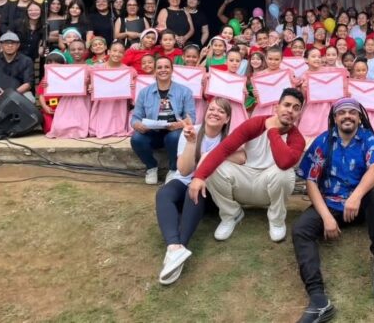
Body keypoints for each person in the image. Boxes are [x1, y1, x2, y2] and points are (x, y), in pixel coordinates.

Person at [292, 99, 374, 322]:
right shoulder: (323, 141)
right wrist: (326, 217)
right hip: (331, 203)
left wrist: (356, 196)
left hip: (360, 205)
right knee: (300, 230)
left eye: (352, 112)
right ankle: (318, 300)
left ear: (359, 117)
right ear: (335, 118)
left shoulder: (369, 139)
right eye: (342, 112)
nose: (347, 116)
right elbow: (311, 181)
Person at [187, 89, 306, 242]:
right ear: (277, 107)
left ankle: (276, 220)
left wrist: (272, 131)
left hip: (268, 186)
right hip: (244, 179)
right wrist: (199, 176)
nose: (290, 110)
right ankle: (231, 215)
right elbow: (223, 149)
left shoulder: (297, 139)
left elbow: (284, 162)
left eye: (296, 108)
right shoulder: (255, 123)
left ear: (299, 114)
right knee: (211, 163)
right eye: (287, 105)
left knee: (285, 173)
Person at [155, 98, 246, 285]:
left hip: (211, 189)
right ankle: (174, 248)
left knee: (193, 192)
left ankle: (181, 245)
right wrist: (191, 143)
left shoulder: (229, 138)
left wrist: (210, 156)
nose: (214, 113)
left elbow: (242, 158)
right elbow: (183, 171)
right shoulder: (192, 131)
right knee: (164, 193)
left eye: (221, 111)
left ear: (227, 118)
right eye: (211, 109)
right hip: (186, 180)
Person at [131, 56, 196, 185]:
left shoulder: (185, 91)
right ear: (155, 71)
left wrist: (179, 125)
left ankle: (173, 169)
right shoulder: (144, 92)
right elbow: (135, 117)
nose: (163, 70)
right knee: (136, 138)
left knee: (174, 137)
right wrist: (137, 125)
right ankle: (151, 167)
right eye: (159, 67)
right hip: (152, 132)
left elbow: (191, 118)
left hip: (174, 132)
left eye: (167, 67)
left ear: (172, 70)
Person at [46, 39, 91, 139]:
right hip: (67, 100)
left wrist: (89, 85)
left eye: (80, 49)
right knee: (59, 127)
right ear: (69, 51)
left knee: (80, 125)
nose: (76, 52)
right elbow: (57, 85)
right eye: (73, 49)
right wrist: (47, 84)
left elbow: (94, 88)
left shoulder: (90, 68)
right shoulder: (64, 69)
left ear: (85, 51)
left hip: (83, 101)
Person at [88, 41, 133, 138]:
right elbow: (91, 83)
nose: (117, 54)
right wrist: (91, 86)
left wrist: (132, 86)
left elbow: (134, 87)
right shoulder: (98, 68)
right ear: (108, 52)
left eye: (120, 52)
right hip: (102, 101)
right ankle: (99, 129)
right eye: (114, 50)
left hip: (119, 102)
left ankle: (118, 129)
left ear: (124, 55)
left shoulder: (128, 71)